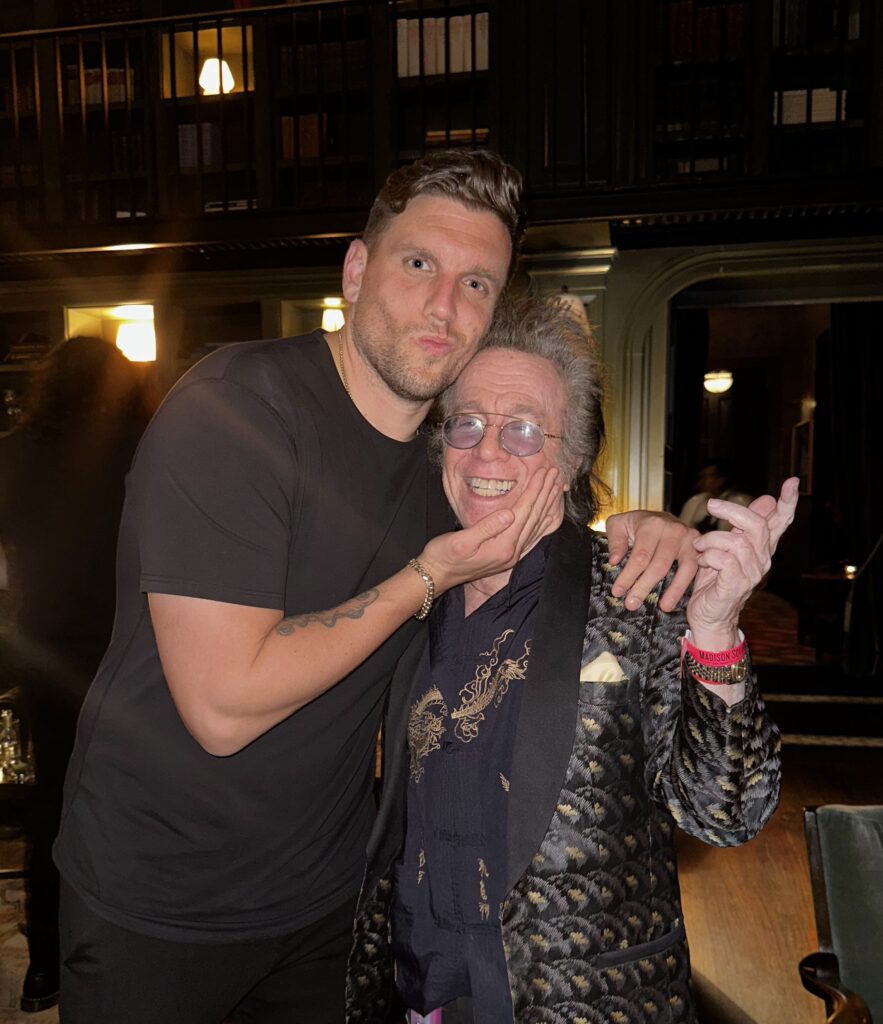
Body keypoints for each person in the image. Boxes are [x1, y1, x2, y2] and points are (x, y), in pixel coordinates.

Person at [53, 150, 698, 1024]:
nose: (444, 305)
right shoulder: (238, 411)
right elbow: (222, 707)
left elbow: (530, 498)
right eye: (419, 264)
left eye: (477, 283)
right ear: (357, 271)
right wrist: (425, 575)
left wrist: (640, 527)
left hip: (329, 904)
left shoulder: (443, 460)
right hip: (160, 901)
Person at [345, 298, 797, 1023]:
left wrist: (714, 632)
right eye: (466, 423)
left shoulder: (637, 591)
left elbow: (727, 814)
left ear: (573, 455)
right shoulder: (409, 592)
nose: (487, 452)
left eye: (523, 429)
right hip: (420, 989)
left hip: (578, 1000)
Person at [0, 336, 153, 1013]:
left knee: (51, 803)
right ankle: (126, 957)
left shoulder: (14, 454)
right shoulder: (139, 456)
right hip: (128, 651)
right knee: (131, 805)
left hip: (44, 648)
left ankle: (44, 967)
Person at [678, 458, 753, 533]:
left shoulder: (741, 501)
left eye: (710, 476)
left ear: (722, 478)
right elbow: (685, 528)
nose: (703, 481)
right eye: (702, 477)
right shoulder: (696, 500)